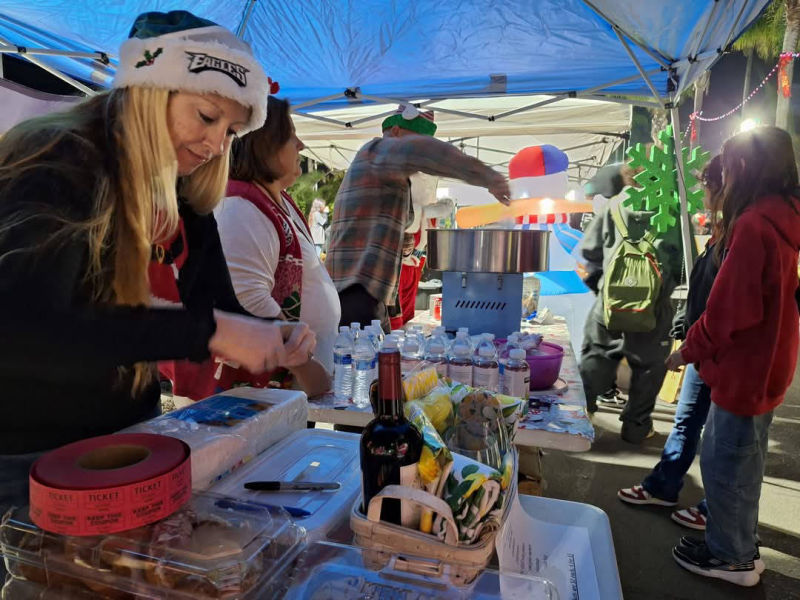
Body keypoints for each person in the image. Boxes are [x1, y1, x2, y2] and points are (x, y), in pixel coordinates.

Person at [0, 11, 315, 518]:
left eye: (232, 131)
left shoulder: (182, 190)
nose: (216, 145)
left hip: (132, 435)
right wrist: (212, 332)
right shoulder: (59, 160)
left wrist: (272, 334)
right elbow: (27, 328)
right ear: (150, 90)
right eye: (207, 116)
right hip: (30, 457)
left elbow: (215, 304)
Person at [668, 127, 800, 587]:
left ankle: (731, 557)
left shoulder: (754, 224)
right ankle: (740, 546)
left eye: (727, 166)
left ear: (743, 167)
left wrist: (687, 351)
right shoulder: (784, 216)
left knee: (725, 464)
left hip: (745, 367)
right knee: (746, 462)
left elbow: (728, 309)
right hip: (770, 362)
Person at [325, 104, 510, 331]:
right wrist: (490, 178)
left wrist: (399, 241)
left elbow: (373, 223)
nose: (418, 163)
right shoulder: (377, 150)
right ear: (395, 132)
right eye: (415, 143)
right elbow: (429, 153)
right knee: (363, 352)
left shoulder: (380, 167)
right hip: (355, 291)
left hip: (361, 289)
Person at [617, 156, 723, 531]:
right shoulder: (723, 230)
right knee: (686, 421)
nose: (703, 192)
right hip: (700, 342)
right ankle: (663, 486)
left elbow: (729, 309)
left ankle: (719, 514)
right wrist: (687, 326)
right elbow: (705, 291)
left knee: (724, 440)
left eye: (706, 184)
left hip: (724, 354)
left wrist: (687, 346)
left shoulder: (747, 233)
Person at [212, 96, 339, 386]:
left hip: (286, 390)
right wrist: (307, 370)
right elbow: (248, 301)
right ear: (264, 144)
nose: (300, 145)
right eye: (290, 135)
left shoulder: (274, 200)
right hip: (258, 393)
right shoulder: (240, 209)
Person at [578, 166, 683, 442]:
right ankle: (636, 426)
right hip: (654, 306)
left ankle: (583, 414)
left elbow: (590, 251)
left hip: (609, 303)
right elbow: (683, 264)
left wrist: (605, 288)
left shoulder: (613, 206)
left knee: (597, 355)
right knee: (649, 367)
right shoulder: (670, 211)